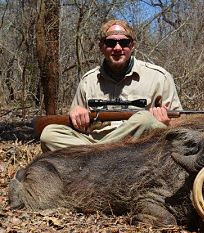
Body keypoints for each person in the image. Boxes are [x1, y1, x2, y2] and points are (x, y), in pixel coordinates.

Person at [40, 19, 182, 151]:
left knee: (144, 120)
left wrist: (164, 123)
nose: (118, 48)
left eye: (124, 42)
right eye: (111, 43)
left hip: (138, 147)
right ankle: (102, 156)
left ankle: (93, 158)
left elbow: (180, 123)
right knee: (49, 134)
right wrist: (77, 114)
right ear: (101, 46)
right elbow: (77, 125)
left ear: (132, 46)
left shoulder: (159, 77)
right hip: (94, 141)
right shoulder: (88, 80)